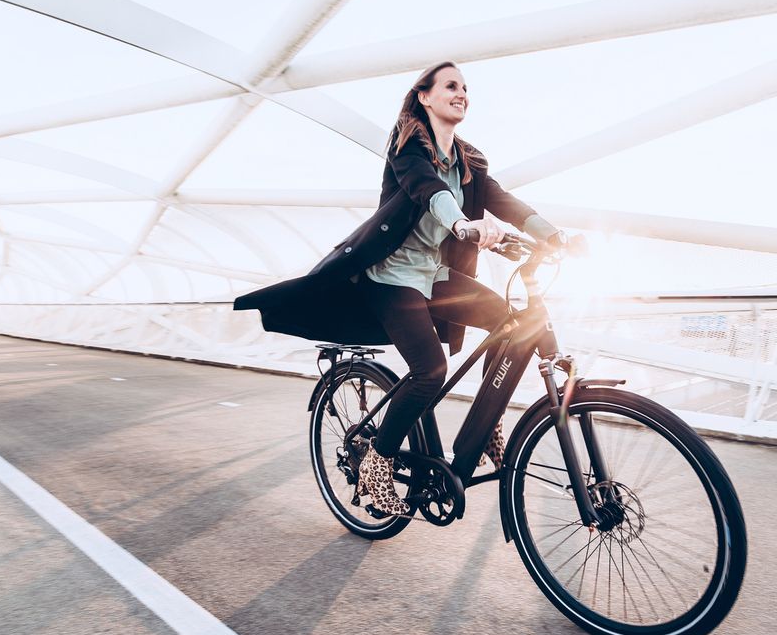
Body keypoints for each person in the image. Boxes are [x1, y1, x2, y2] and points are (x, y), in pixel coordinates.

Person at [234, 61, 562, 515]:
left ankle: (486, 426)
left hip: (431, 273)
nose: (461, 93)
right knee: (430, 371)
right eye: (451, 86)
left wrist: (552, 234)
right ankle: (378, 461)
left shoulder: (470, 162)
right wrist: (463, 225)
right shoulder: (407, 149)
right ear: (424, 96)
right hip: (389, 276)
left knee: (510, 323)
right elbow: (429, 191)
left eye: (465, 88)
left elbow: (502, 199)